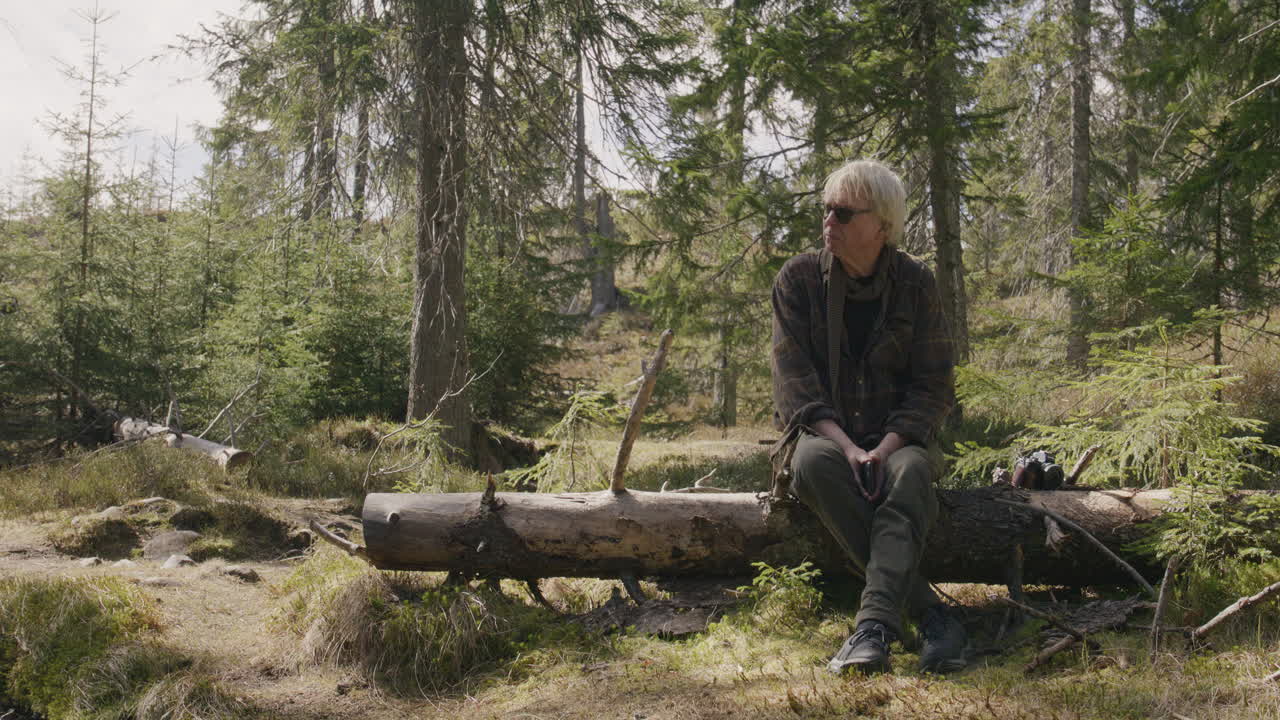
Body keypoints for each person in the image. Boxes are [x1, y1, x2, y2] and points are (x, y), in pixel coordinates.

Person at [770, 159, 967, 675]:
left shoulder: (916, 285)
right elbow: (795, 386)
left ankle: (872, 627)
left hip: (899, 441)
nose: (827, 222)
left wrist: (884, 447)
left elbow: (934, 384)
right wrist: (851, 448)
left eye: (842, 213)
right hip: (825, 438)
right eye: (826, 210)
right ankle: (930, 613)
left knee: (912, 473)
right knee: (811, 464)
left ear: (881, 226)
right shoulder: (799, 281)